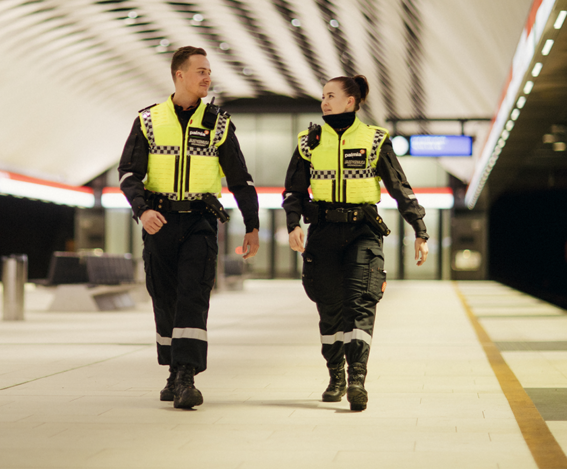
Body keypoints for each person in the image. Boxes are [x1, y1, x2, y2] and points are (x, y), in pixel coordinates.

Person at [118, 46, 260, 409]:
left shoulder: (219, 123)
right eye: (200, 71)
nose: (207, 77)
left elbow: (240, 179)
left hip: (200, 220)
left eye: (208, 71)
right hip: (159, 222)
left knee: (193, 295)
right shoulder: (149, 120)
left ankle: (186, 376)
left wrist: (252, 225)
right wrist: (142, 211)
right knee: (163, 296)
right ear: (179, 75)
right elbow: (130, 174)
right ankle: (172, 368)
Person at [282, 75, 428, 411]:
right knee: (330, 309)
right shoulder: (309, 141)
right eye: (322, 96)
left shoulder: (375, 140)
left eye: (331, 95)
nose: (324, 102)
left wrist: (419, 228)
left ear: (351, 101)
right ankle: (336, 375)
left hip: (363, 232)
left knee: (361, 303)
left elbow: (399, 186)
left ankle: (358, 378)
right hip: (322, 234)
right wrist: (293, 224)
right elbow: (293, 190)